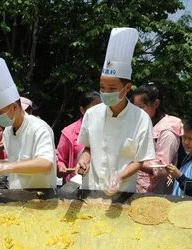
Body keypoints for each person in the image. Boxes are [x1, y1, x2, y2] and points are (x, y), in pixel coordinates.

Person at [76, 28, 155, 195]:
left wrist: (120, 176)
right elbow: (88, 148)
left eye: (112, 88)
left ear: (127, 88)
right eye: (102, 87)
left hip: (122, 191)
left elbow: (140, 160)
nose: (105, 92)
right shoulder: (92, 114)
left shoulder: (141, 118)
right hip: (91, 188)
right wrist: (83, 160)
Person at [0, 57, 56, 189]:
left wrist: (6, 167)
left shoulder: (40, 128)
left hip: (40, 199)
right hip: (16, 196)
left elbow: (46, 163)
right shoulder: (8, 131)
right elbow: (16, 163)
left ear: (14, 107)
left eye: (0, 112)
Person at [134, 84, 183, 194]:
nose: (136, 112)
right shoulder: (143, 124)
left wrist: (133, 163)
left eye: (141, 107)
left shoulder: (168, 131)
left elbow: (162, 168)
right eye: (134, 108)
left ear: (156, 104)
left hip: (156, 193)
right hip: (137, 189)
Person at [56, 91, 101, 184]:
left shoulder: (108, 129)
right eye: (94, 109)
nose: (99, 112)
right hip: (75, 185)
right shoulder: (69, 132)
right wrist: (61, 167)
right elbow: (60, 159)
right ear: (82, 110)